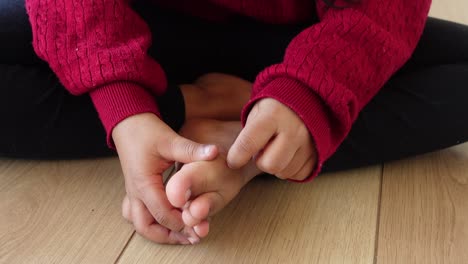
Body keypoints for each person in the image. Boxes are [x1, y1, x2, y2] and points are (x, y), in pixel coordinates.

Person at [1, 0, 468, 244]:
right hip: (138, 22)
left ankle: (251, 140)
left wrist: (309, 90)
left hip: (302, 35)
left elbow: (386, 10)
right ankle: (213, 111)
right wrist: (126, 108)